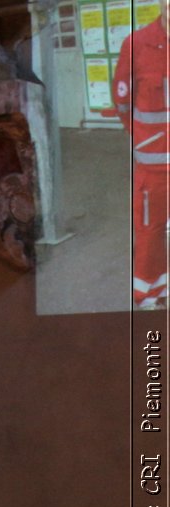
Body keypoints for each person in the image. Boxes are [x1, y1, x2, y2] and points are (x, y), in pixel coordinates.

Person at [114, 7, 170, 309]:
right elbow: (122, 100)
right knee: (151, 231)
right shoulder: (135, 44)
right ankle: (150, 294)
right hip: (154, 163)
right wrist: (141, 138)